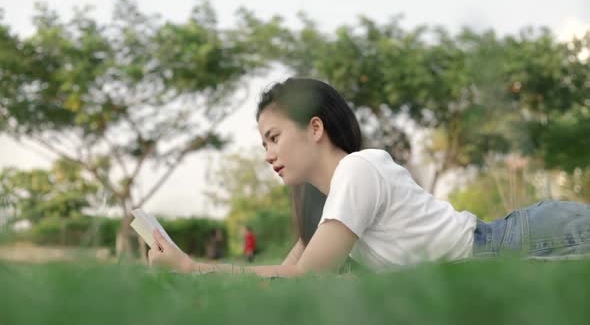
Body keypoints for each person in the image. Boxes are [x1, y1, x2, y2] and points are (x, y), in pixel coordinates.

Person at [148, 77, 590, 277]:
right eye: (264, 144)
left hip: (524, 241)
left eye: (274, 137)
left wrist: (191, 268)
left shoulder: (359, 169)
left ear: (315, 128)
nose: (268, 155)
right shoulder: (332, 202)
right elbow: (285, 278)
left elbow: (305, 276)